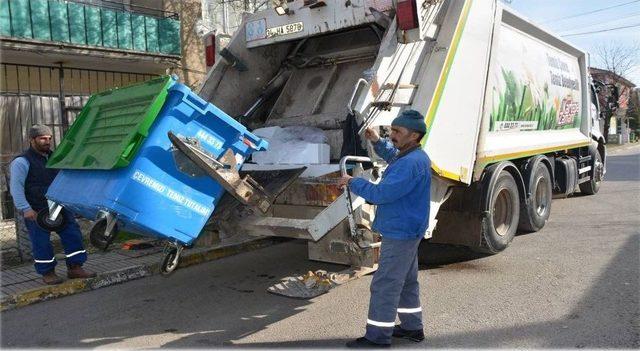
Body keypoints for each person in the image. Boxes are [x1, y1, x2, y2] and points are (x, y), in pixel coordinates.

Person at [338, 109, 431, 348]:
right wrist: (376, 141)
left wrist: (353, 182)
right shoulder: (411, 156)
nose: (392, 134)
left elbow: (382, 194)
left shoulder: (409, 163)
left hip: (400, 231)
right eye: (392, 130)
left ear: (414, 136)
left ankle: (377, 337)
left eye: (397, 131)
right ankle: (412, 328)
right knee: (407, 281)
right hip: (408, 229)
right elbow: (393, 156)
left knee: (386, 283)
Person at [9, 125, 96, 285]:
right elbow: (16, 187)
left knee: (73, 235)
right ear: (32, 140)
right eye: (42, 138)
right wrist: (25, 208)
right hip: (36, 210)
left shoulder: (56, 158)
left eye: (49, 138)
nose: (47, 142)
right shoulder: (22, 162)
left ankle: (75, 268)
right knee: (41, 243)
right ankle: (48, 273)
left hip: (59, 207)